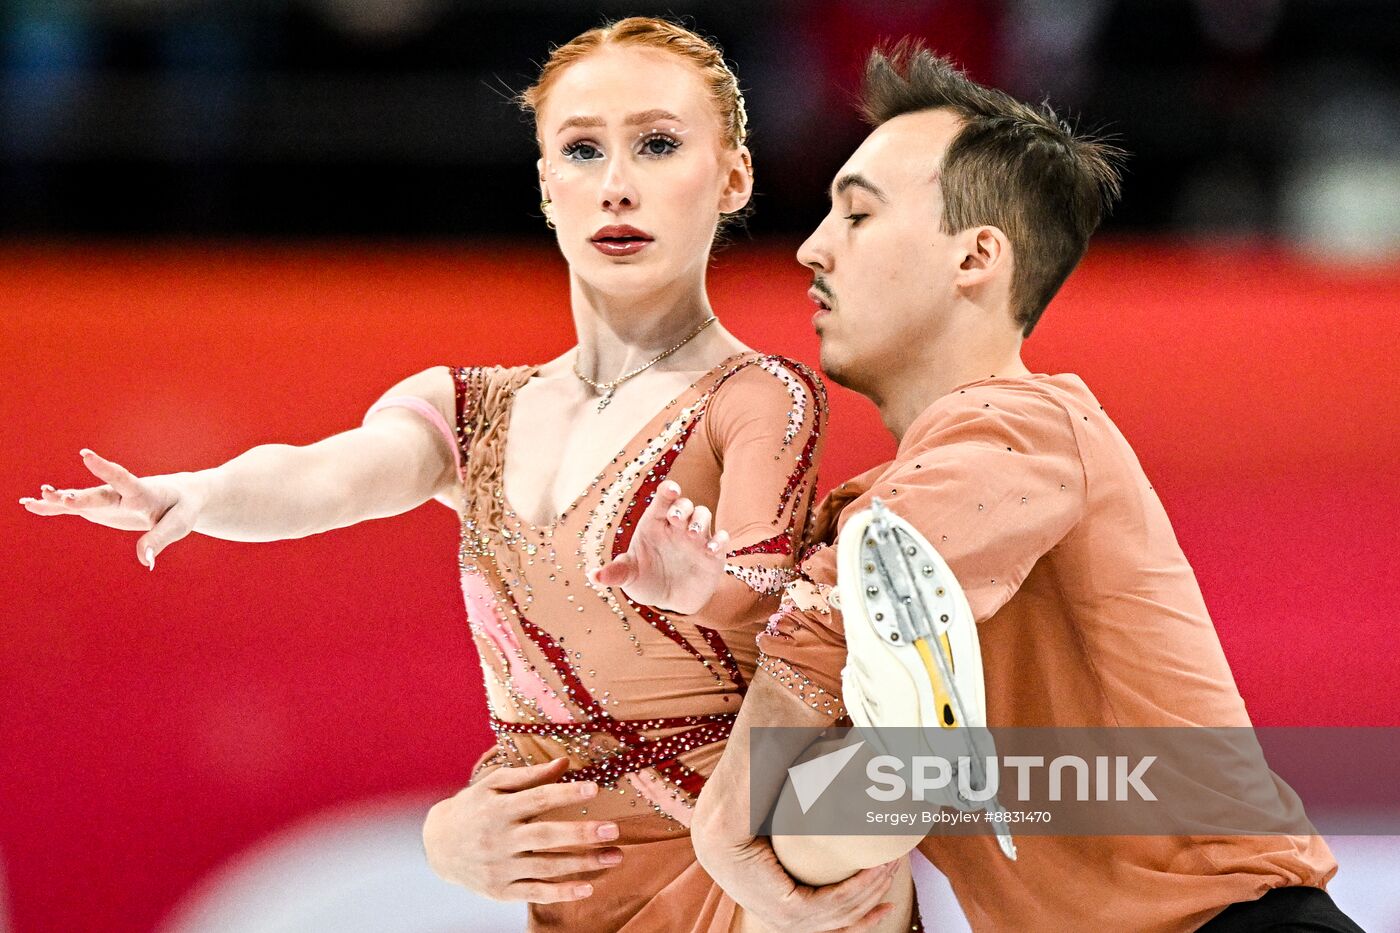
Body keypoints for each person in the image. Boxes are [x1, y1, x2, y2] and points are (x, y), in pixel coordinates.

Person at [19, 17, 909, 933]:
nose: (616, 185)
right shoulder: (470, 408)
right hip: (571, 889)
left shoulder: (757, 395)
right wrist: (200, 494)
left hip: (737, 871)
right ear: (544, 185)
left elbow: (781, 604)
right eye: (581, 149)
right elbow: (327, 477)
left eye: (656, 144)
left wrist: (704, 584)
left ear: (733, 177)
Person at [610, 42, 1358, 932]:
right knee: (807, 807)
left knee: (789, 807)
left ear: (976, 258)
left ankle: (912, 761)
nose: (811, 248)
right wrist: (729, 602)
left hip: (1239, 924)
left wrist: (723, 834)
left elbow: (831, 623)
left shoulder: (1026, 424)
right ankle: (911, 762)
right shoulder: (874, 507)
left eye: (856, 215)